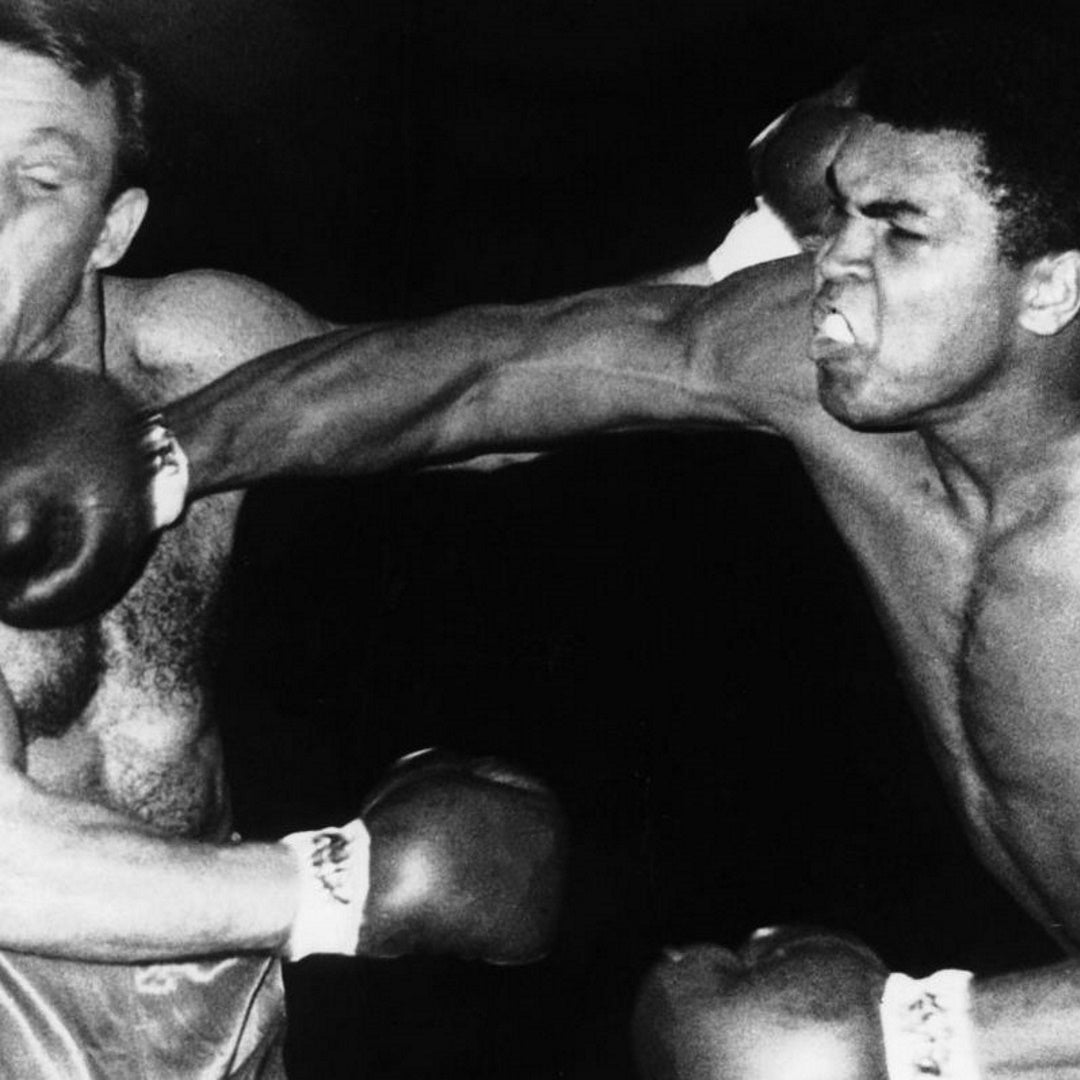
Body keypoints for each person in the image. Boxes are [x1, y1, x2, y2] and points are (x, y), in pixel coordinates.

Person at [24, 16, 1080, 1076]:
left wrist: (929, 1040)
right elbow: (488, 374)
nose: (833, 263)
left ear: (1052, 284)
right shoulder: (798, 349)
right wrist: (157, 459)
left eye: (898, 229)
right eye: (838, 212)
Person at [0, 4, 569, 1079]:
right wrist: (354, 886)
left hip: (218, 973)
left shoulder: (195, 347)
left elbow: (469, 403)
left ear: (111, 228)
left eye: (37, 183)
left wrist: (748, 276)